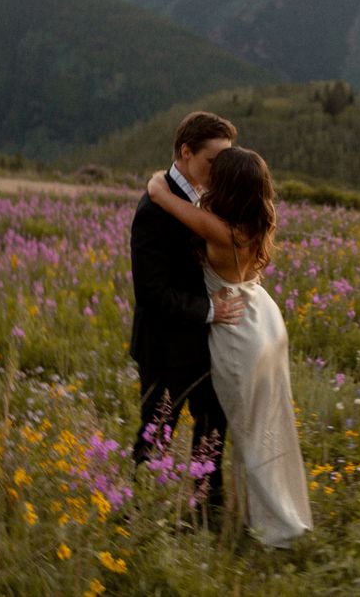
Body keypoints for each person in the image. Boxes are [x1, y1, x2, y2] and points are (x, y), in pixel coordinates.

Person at [148, 146, 313, 548]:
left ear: (230, 187)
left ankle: (278, 530)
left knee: (250, 432)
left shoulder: (220, 230)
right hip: (264, 318)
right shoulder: (257, 221)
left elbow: (159, 194)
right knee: (271, 426)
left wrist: (159, 181)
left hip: (238, 330)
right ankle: (266, 513)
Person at [130, 111, 244, 509]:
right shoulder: (153, 210)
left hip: (206, 344)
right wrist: (210, 309)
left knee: (213, 426)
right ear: (186, 151)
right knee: (157, 433)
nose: (220, 170)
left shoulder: (205, 197)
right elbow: (151, 293)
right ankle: (137, 514)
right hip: (163, 348)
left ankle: (206, 509)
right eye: (213, 161)